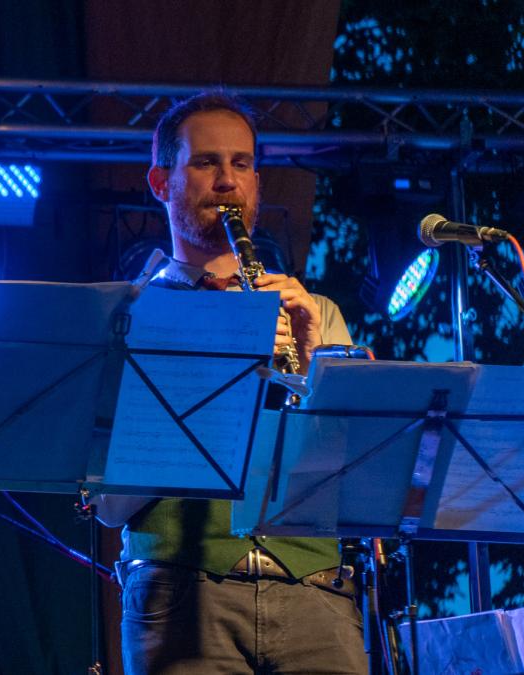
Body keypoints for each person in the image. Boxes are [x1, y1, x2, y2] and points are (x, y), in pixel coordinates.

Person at [95, 92, 366, 674]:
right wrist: (217, 367)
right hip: (180, 595)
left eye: (241, 163)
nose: (226, 180)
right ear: (160, 182)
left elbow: (357, 480)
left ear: (257, 183)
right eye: (205, 162)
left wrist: (309, 362)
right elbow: (108, 505)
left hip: (316, 593)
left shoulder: (316, 311)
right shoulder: (127, 318)